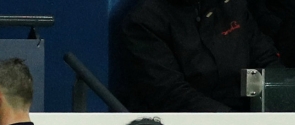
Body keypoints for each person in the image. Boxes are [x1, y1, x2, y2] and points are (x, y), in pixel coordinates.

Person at [120, 0, 281, 113]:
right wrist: (231, 119)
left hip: (252, 117)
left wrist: (285, 97)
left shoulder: (232, 4)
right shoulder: (144, 20)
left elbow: (265, 58)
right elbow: (170, 93)